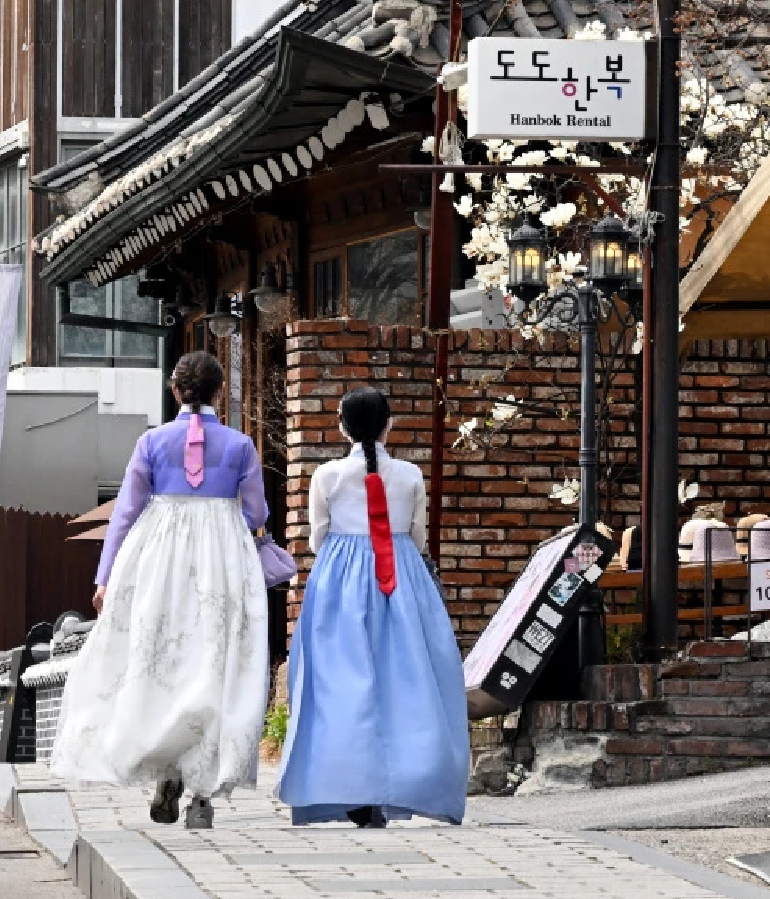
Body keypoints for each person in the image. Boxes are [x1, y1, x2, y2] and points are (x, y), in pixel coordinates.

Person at [50, 351, 269, 831]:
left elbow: (125, 513)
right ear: (218, 392)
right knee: (212, 661)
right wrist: (229, 520)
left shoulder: (151, 442)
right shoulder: (240, 446)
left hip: (158, 557)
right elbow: (256, 512)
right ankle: (202, 787)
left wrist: (105, 576)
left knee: (161, 661)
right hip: (221, 560)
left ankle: (166, 767)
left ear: (175, 391)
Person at [277, 385, 467, 827]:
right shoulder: (410, 474)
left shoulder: (326, 475)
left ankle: (347, 785)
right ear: (389, 424)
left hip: (339, 580)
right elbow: (418, 536)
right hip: (401, 576)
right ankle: (408, 782)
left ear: (341, 427)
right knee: (409, 679)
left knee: (340, 684)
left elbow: (317, 536)